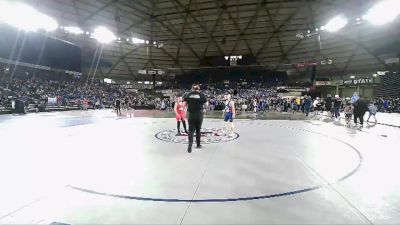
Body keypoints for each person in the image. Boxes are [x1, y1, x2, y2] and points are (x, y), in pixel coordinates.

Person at [183, 84, 207, 153]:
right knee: (198, 130)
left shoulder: (188, 95)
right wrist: (203, 107)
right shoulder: (202, 95)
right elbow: (206, 104)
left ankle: (190, 144)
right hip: (199, 114)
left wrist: (185, 112)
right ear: (198, 89)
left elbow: (184, 105)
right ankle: (198, 145)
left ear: (192, 88)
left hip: (191, 114)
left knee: (191, 130)